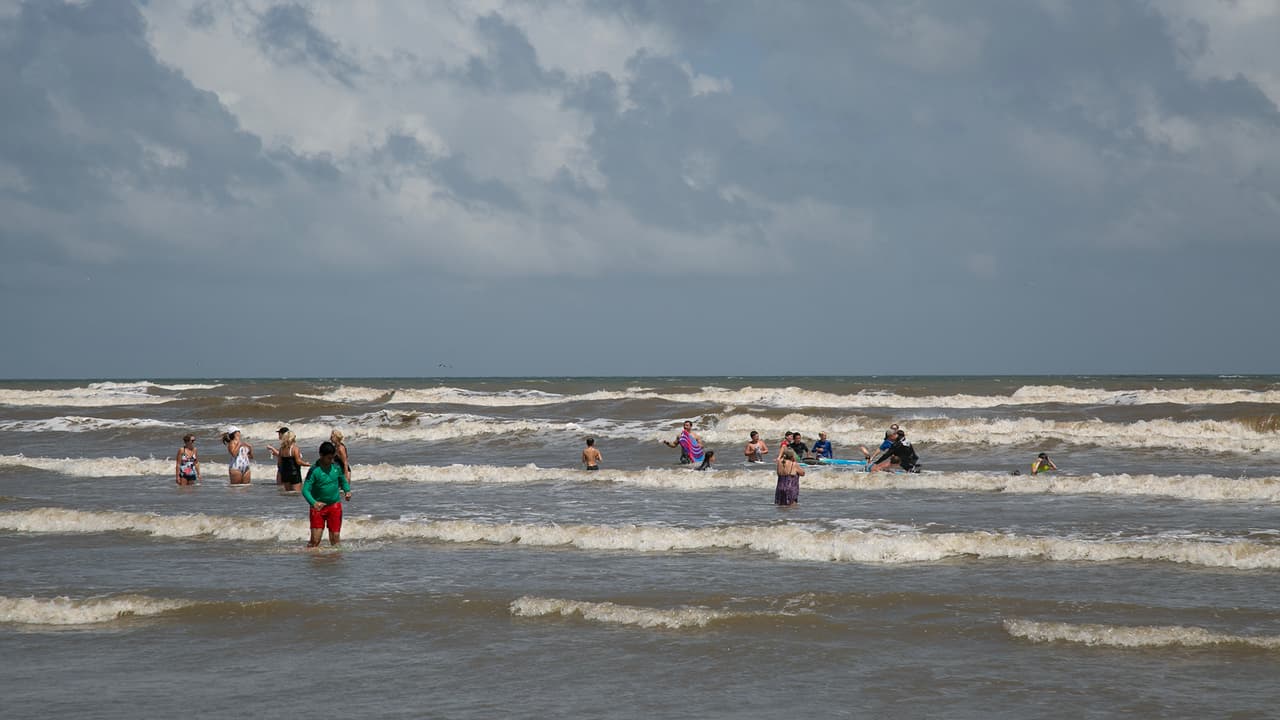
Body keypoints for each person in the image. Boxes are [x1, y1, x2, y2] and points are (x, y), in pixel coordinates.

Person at [302, 441, 351, 547]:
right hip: (318, 508)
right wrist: (313, 503)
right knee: (315, 540)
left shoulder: (336, 468)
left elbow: (343, 481)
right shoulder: (314, 470)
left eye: (332, 457)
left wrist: (347, 490)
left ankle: (335, 561)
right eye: (329, 458)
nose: (331, 461)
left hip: (334, 505)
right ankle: (311, 558)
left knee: (335, 539)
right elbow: (305, 490)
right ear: (321, 455)